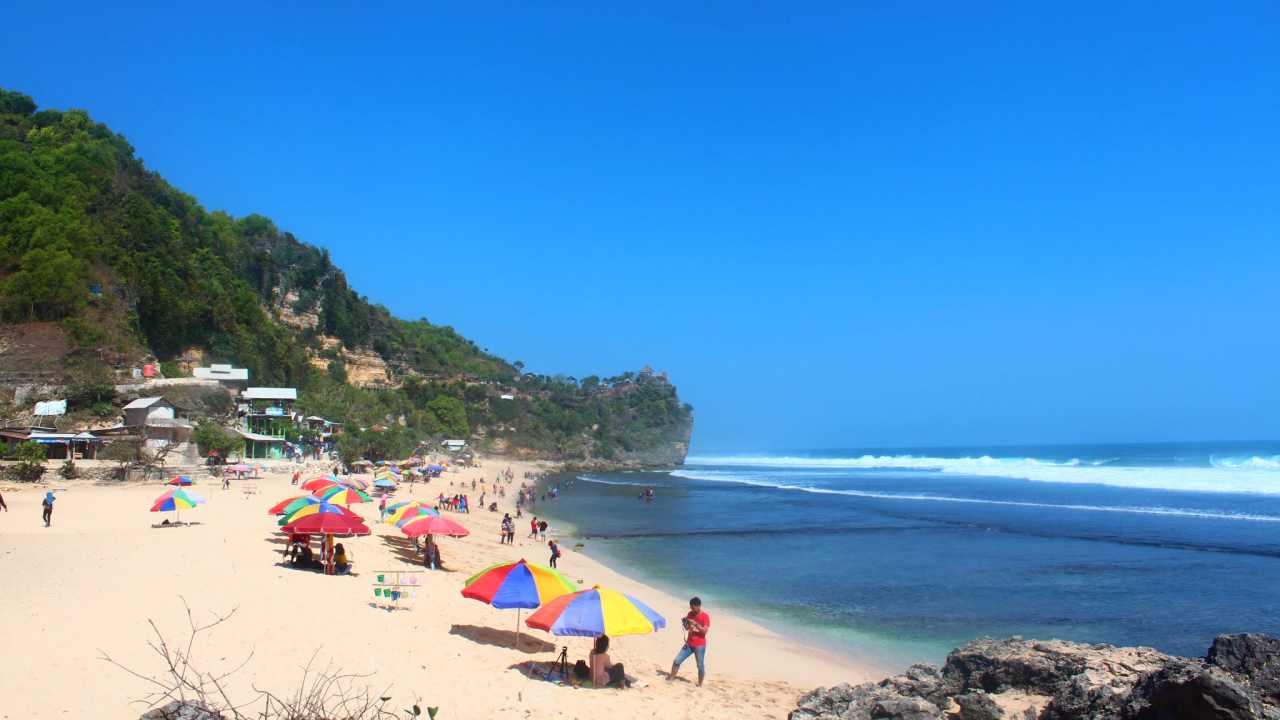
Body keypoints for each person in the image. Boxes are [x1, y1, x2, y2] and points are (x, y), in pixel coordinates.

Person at [669, 597, 710, 686]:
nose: (691, 609)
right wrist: (685, 623)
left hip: (700, 645)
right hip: (689, 643)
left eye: (692, 607)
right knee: (676, 661)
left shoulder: (705, 616)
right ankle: (671, 678)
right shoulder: (690, 614)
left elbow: (704, 631)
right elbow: (687, 628)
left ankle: (700, 684)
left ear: (698, 606)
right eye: (690, 607)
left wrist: (695, 623)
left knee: (700, 665)